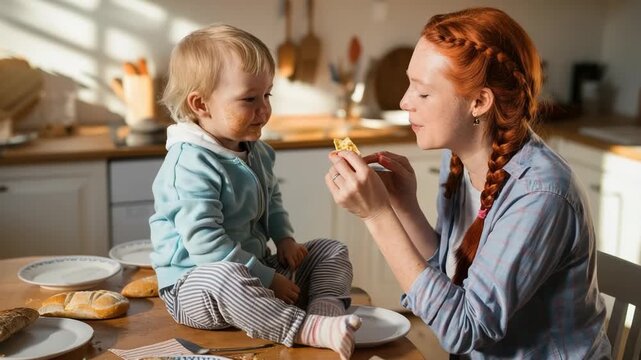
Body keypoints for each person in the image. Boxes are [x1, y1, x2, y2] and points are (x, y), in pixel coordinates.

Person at [325, 7, 611, 358]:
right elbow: (451, 279)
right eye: (409, 84)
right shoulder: (460, 157)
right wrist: (404, 206)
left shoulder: (540, 194)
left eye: (423, 93)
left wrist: (377, 216)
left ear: (479, 102)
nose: (404, 102)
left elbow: (464, 329)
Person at [150, 24, 361, 360]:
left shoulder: (255, 149)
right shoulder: (189, 165)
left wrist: (286, 239)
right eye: (250, 98)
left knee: (329, 250)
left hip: (256, 267)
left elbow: (272, 198)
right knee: (226, 275)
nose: (264, 109)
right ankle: (303, 329)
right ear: (201, 104)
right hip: (196, 286)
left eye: (267, 95)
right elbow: (206, 246)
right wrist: (267, 279)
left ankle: (325, 318)